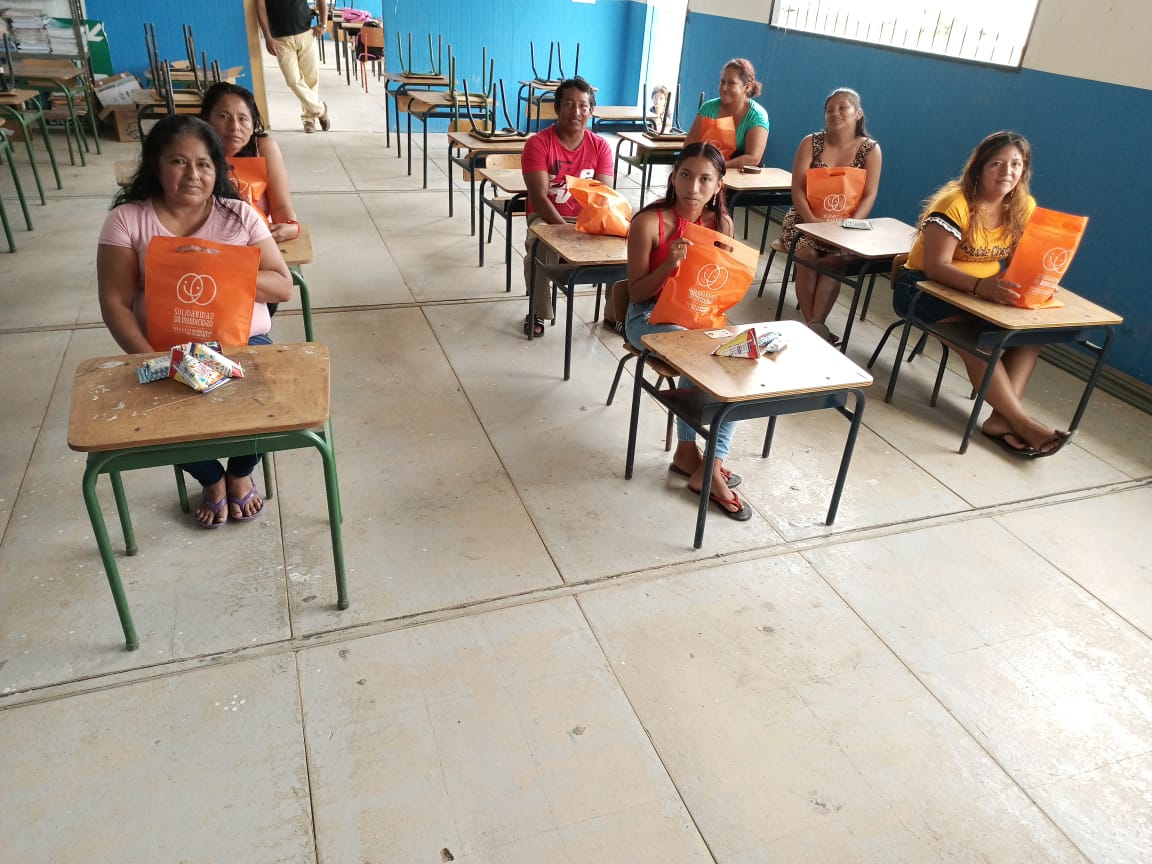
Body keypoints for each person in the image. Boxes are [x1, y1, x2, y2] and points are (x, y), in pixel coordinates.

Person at [97, 115, 293, 526]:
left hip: (242, 342)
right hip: (162, 347)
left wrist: (219, 265)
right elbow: (114, 301)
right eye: (178, 161)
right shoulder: (127, 220)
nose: (192, 174)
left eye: (204, 164)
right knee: (160, 414)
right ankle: (211, 478)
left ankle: (240, 472)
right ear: (155, 164)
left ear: (217, 170)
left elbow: (282, 286)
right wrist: (153, 359)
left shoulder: (239, 215)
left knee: (272, 403)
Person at [893, 130, 1069, 458]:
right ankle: (1021, 422)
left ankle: (1001, 420)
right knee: (979, 344)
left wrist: (1037, 281)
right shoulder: (955, 203)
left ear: (1024, 170)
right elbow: (936, 267)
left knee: (1029, 337)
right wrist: (981, 287)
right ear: (979, 167)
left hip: (982, 296)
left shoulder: (1023, 206)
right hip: (924, 289)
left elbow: (1021, 260)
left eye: (1015, 164)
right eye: (996, 164)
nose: (1007, 172)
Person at [624, 142, 751, 521]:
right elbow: (636, 293)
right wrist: (669, 266)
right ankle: (694, 459)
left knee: (741, 358)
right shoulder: (649, 223)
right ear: (673, 177)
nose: (693, 187)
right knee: (692, 349)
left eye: (705, 179)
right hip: (649, 318)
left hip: (698, 319)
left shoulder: (722, 225)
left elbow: (717, 289)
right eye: (685, 175)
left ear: (719, 185)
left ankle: (708, 461)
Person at [778, 87, 882, 342]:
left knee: (834, 261)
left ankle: (814, 328)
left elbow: (869, 195)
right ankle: (815, 328)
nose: (835, 113)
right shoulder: (810, 143)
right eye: (829, 110)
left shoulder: (871, 150)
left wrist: (850, 226)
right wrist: (812, 223)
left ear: (858, 113)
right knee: (807, 255)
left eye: (843, 107)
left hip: (844, 228)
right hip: (804, 220)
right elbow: (797, 189)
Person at [520, 77, 614, 336]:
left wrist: (590, 229)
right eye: (569, 104)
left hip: (586, 220)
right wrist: (566, 231)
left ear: (591, 110)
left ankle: (615, 315)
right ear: (557, 108)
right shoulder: (538, 144)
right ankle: (538, 311)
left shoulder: (601, 147)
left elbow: (603, 196)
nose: (576, 112)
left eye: (583, 106)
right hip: (547, 217)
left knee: (628, 247)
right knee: (539, 249)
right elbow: (539, 197)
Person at [200, 82, 299, 243]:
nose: (234, 127)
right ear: (206, 119)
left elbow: (281, 208)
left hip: (258, 239)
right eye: (224, 116)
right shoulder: (194, 152)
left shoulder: (263, 148)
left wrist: (290, 228)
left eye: (243, 119)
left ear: (253, 125)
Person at [256, 0, 330, 133]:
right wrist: (267, 37)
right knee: (293, 80)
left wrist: (323, 24)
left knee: (311, 79)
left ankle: (308, 119)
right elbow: (260, 7)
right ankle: (320, 109)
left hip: (306, 34)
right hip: (281, 39)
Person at [684, 58, 769, 171]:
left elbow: (753, 158)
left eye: (731, 83)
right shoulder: (708, 108)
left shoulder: (757, 116)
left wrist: (719, 165)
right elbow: (689, 143)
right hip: (705, 169)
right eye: (722, 82)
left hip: (737, 175)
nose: (724, 88)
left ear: (747, 87)